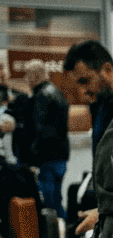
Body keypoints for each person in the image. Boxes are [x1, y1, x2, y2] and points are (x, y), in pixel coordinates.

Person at [63, 40, 113, 153]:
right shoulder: (98, 105)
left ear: (107, 69)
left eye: (85, 81)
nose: (82, 92)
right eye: (77, 86)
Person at [22, 60, 70, 222]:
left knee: (49, 207)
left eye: (27, 76)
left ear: (35, 75)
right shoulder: (57, 93)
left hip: (45, 159)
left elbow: (39, 130)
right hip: (60, 156)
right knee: (57, 201)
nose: (26, 80)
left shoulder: (40, 96)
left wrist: (31, 160)